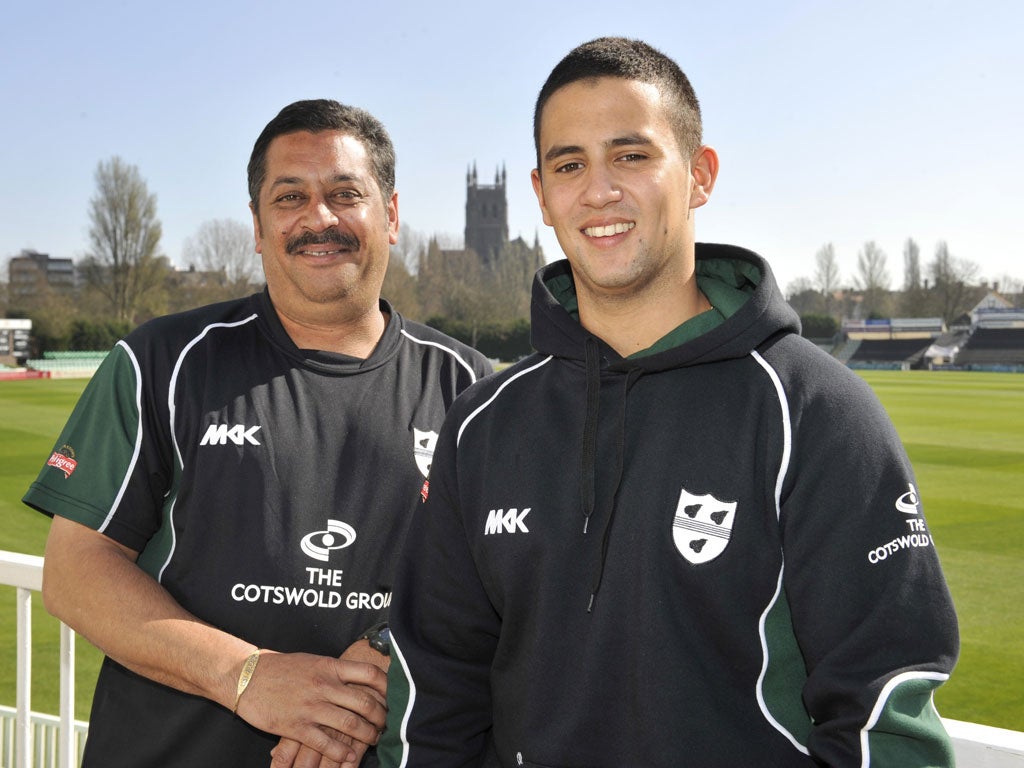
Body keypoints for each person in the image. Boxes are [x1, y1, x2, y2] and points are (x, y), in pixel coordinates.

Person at [379, 37, 959, 768]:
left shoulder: (815, 409)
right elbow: (435, 696)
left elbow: (884, 715)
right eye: (569, 165)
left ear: (699, 175)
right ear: (541, 195)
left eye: (631, 155)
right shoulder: (482, 426)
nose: (598, 191)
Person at [23, 98, 491, 768]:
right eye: (289, 196)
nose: (318, 218)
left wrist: (371, 672)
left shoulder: (469, 388)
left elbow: (497, 584)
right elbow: (75, 574)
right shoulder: (163, 361)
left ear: (391, 216)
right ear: (258, 224)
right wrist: (248, 676)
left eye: (345, 193)